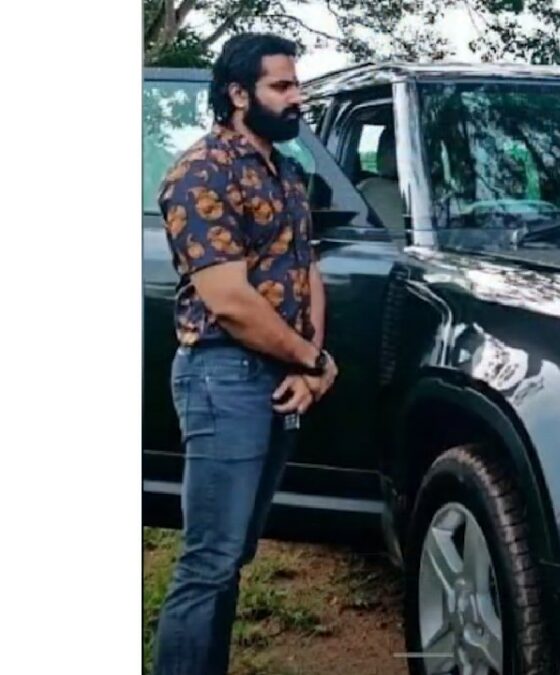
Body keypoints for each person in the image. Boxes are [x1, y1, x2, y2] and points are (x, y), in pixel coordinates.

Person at [151, 33, 338, 675]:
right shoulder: (200, 173)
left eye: (296, 84)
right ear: (238, 95)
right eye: (281, 87)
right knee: (209, 559)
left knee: (235, 555)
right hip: (221, 376)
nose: (297, 98)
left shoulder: (287, 173)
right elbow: (228, 299)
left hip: (281, 376)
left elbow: (307, 269)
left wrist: (311, 359)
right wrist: (310, 363)